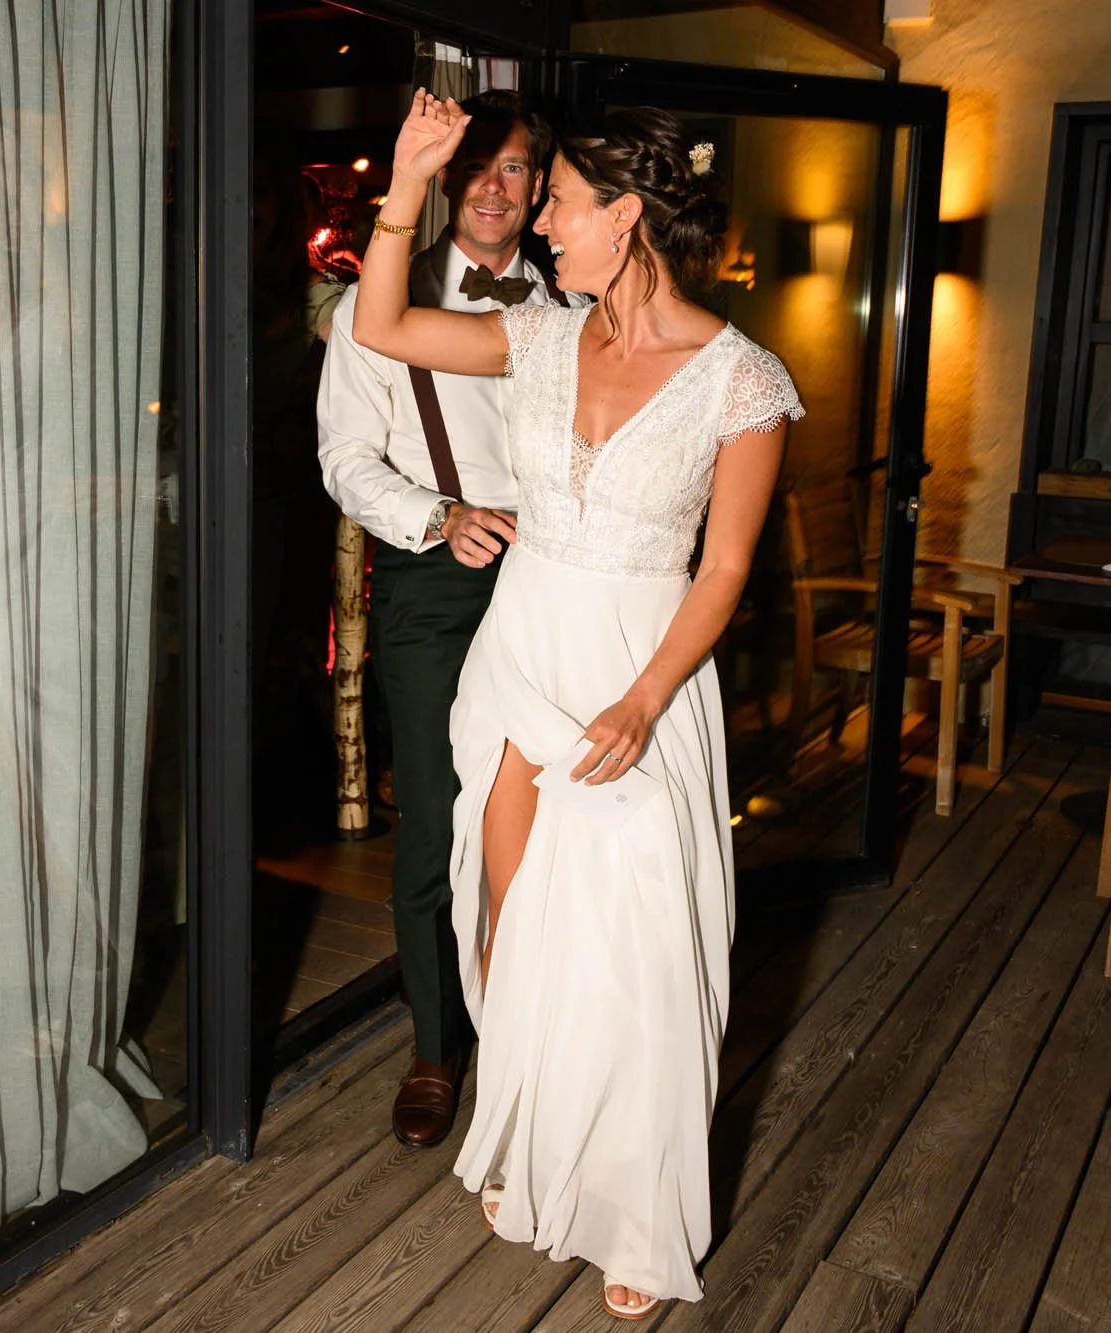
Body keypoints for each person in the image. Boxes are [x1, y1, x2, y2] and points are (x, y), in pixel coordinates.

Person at [352, 93, 802, 1319]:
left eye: (558, 201)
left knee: (633, 956)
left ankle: (635, 1217)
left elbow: (721, 572)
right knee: (511, 929)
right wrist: (405, 178)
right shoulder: (540, 341)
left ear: (628, 215)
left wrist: (646, 700)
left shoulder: (741, 383)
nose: (539, 220)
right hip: (523, 657)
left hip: (637, 676)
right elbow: (382, 321)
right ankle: (535, 1144)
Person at [317, 90, 572, 1150]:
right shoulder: (382, 304)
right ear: (444, 177)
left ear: (538, 189)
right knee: (435, 812)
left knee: (550, 814)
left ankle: (535, 1026)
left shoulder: (570, 307)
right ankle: (435, 1044)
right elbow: (343, 460)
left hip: (557, 581)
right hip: (437, 583)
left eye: (515, 169)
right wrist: (439, 516)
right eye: (475, 166)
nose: (493, 188)